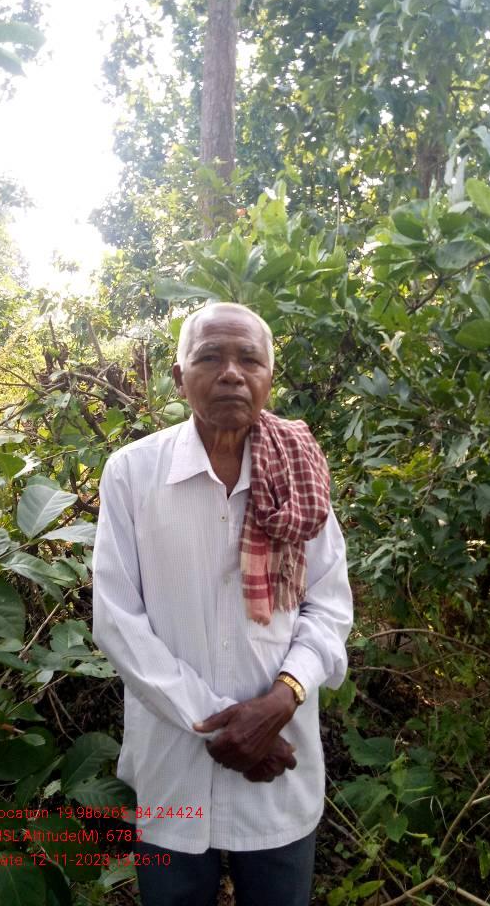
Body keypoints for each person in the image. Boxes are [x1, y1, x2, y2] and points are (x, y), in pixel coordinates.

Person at [92, 302, 353, 906]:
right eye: (210, 357)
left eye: (249, 360)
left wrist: (281, 699)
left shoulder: (300, 472)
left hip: (280, 766)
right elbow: (117, 621)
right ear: (179, 378)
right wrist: (226, 726)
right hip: (174, 769)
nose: (231, 373)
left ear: (269, 378)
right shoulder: (132, 474)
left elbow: (329, 605)